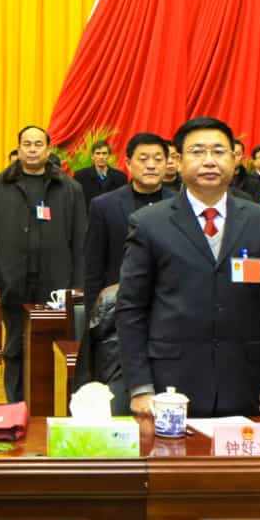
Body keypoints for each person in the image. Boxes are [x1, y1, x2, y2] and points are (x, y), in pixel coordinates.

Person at [115, 117, 260, 418]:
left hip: (245, 380)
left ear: (236, 160)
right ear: (178, 161)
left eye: (219, 151)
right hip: (169, 384)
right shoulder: (149, 223)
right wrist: (140, 386)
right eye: (198, 152)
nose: (209, 161)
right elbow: (131, 308)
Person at [0, 125, 88, 403]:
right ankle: (15, 404)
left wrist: (78, 284)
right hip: (12, 279)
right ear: (18, 148)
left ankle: (47, 406)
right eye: (27, 144)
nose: (32, 149)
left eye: (38, 144)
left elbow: (80, 239)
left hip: (56, 283)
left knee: (51, 347)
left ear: (48, 149)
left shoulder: (70, 188)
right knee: (15, 345)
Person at [80, 133, 174, 389]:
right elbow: (93, 266)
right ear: (128, 163)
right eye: (143, 159)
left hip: (169, 314)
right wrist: (93, 316)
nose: (151, 165)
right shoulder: (104, 205)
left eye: (158, 159)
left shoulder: (181, 205)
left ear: (168, 164)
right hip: (119, 315)